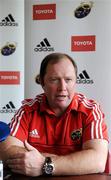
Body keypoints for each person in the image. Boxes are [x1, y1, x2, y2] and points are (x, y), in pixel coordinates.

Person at [0, 52, 108, 176]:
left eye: (68, 80)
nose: (62, 87)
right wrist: (73, 162)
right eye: (54, 80)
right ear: (42, 82)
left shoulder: (90, 110)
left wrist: (44, 164)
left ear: (75, 81)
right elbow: (6, 150)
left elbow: (98, 160)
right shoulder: (27, 110)